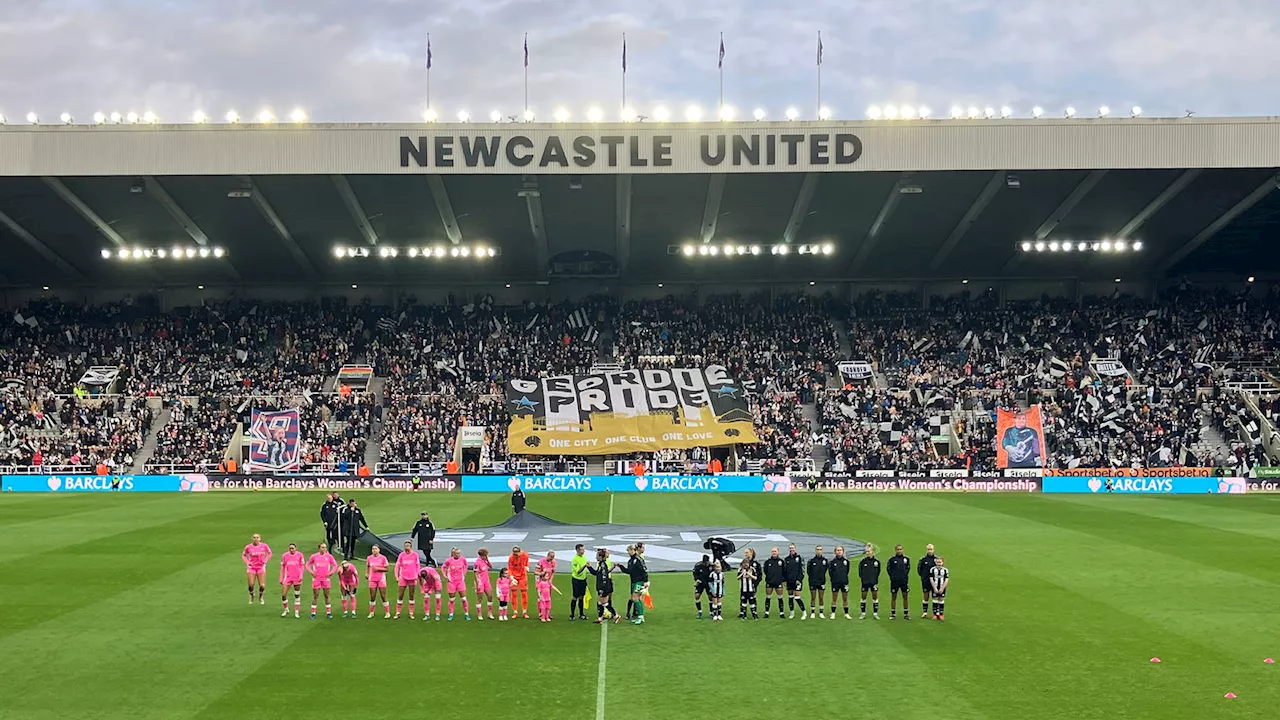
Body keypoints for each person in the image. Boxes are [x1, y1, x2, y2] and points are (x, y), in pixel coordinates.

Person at [586, 548, 620, 624]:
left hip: (603, 587)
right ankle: (600, 618)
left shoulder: (603, 565)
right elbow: (595, 573)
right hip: (600, 586)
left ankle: (616, 615)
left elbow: (605, 577)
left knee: (604, 603)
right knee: (600, 603)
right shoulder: (601, 564)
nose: (596, 557)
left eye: (597, 556)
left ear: (600, 557)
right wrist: (589, 567)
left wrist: (603, 588)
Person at [307, 542, 338, 619]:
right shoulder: (314, 556)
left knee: (327, 595)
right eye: (322, 547)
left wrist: (331, 572)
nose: (324, 549)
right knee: (315, 595)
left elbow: (335, 565)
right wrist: (311, 572)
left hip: (326, 579)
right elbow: (307, 564)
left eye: (325, 547)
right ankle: (313, 613)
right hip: (316, 579)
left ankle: (329, 613)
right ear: (319, 548)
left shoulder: (329, 556)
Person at [241, 533, 272, 606]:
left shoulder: (264, 546)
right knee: (251, 585)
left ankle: (261, 597)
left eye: (257, 537)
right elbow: (243, 555)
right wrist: (247, 562)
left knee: (262, 585)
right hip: (252, 568)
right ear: (252, 538)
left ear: (260, 538)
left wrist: (265, 560)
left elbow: (269, 553)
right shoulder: (248, 547)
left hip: (260, 567)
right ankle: (251, 595)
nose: (256, 539)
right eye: (254, 537)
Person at [441, 548, 471, 621]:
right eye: (457, 553)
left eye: (459, 553)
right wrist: (445, 576)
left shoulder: (463, 559)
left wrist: (464, 573)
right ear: (453, 554)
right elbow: (443, 567)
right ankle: (451, 614)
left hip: (460, 581)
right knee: (452, 599)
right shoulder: (449, 560)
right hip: (452, 582)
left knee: (464, 599)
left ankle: (467, 614)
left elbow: (466, 565)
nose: (458, 555)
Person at [394, 540, 421, 619]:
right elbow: (397, 566)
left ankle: (411, 612)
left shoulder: (415, 555)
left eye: (408, 546)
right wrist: (396, 576)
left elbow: (417, 566)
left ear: (411, 547)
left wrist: (417, 575)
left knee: (411, 595)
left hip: (412, 577)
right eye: (405, 546)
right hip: (403, 577)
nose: (406, 548)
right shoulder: (401, 555)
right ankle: (398, 612)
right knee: (400, 595)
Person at [279, 542, 305, 618]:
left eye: (292, 548)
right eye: (290, 548)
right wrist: (281, 577)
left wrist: (301, 576)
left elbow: (302, 566)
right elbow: (282, 567)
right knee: (283, 594)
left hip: (297, 577)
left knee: (297, 595)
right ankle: (286, 609)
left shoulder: (300, 555)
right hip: (288, 577)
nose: (291, 550)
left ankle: (297, 611)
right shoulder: (285, 555)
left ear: (296, 549)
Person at [886, 544, 912, 620]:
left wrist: (904, 576)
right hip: (894, 581)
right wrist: (892, 577)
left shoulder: (906, 559)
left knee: (905, 597)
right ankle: (893, 614)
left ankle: (906, 614)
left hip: (904, 581)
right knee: (894, 597)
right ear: (895, 550)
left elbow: (908, 568)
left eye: (900, 549)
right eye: (898, 549)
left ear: (903, 550)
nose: (899, 551)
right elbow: (888, 569)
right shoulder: (892, 559)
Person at [364, 544, 391, 618]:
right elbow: (368, 565)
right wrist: (367, 573)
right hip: (372, 579)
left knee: (383, 596)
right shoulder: (369, 558)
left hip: (381, 579)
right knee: (372, 596)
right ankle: (371, 612)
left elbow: (387, 569)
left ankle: (387, 612)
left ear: (379, 550)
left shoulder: (383, 558)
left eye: (375, 549)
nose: (374, 550)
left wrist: (378, 569)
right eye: (373, 549)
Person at [782, 543, 807, 619]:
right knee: (790, 597)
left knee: (797, 597)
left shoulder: (799, 558)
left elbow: (802, 570)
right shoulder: (786, 559)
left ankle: (804, 612)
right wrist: (784, 580)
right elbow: (784, 571)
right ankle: (792, 613)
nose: (791, 549)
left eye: (792, 548)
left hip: (797, 581)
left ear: (795, 549)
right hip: (789, 581)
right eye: (790, 548)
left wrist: (799, 579)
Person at [828, 545, 852, 619]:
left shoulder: (846, 561)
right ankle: (833, 613)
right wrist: (834, 579)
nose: (839, 551)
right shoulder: (832, 562)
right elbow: (830, 572)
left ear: (843, 551)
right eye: (837, 550)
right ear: (835, 552)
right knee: (834, 598)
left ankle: (846, 613)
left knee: (845, 598)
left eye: (840, 550)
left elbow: (847, 571)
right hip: (835, 582)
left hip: (844, 582)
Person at [858, 545, 881, 620]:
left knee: (875, 597)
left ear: (872, 552)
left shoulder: (877, 562)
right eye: (866, 552)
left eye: (869, 551)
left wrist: (874, 579)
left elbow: (878, 572)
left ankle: (875, 613)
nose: (868, 553)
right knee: (863, 597)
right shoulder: (862, 561)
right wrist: (864, 579)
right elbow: (860, 572)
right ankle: (863, 613)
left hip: (873, 582)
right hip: (865, 582)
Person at [806, 545, 829, 620]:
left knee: (821, 597)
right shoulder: (812, 561)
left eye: (820, 549)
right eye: (818, 549)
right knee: (813, 597)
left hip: (821, 581)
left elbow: (826, 570)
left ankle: (821, 612)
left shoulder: (825, 561)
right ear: (815, 551)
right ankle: (812, 612)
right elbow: (808, 571)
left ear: (822, 551)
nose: (819, 551)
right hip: (813, 582)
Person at [737, 548, 761, 620]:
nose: (745, 554)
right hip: (744, 586)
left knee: (752, 599)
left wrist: (755, 583)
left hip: (752, 585)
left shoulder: (755, 564)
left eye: (747, 552)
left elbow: (759, 575)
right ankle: (743, 613)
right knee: (743, 599)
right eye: (745, 553)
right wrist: (742, 574)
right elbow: (738, 576)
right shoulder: (742, 565)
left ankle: (754, 613)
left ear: (751, 553)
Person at [762, 547, 786, 619]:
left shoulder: (781, 561)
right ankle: (766, 613)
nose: (774, 552)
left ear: (778, 552)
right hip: (770, 582)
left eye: (775, 551)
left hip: (778, 582)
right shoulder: (767, 562)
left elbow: (784, 571)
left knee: (780, 598)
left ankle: (781, 613)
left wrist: (782, 580)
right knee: (768, 597)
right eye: (773, 551)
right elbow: (765, 571)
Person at [508, 546, 531, 619]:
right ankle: (515, 611)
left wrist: (527, 567)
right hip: (514, 577)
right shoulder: (511, 557)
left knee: (524, 593)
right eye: (514, 554)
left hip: (523, 576)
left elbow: (526, 564)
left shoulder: (525, 555)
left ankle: (524, 612)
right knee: (514, 594)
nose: (516, 556)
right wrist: (511, 577)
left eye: (517, 554)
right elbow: (510, 568)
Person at [917, 543, 938, 619]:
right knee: (926, 596)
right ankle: (925, 612)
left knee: (934, 596)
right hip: (925, 580)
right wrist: (923, 577)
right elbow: (919, 569)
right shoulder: (923, 559)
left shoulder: (936, 559)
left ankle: (935, 613)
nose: (930, 551)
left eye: (931, 549)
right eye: (928, 549)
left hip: (935, 581)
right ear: (926, 550)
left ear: (933, 550)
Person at [569, 544, 590, 621]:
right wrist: (585, 566)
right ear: (578, 550)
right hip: (576, 580)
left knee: (582, 596)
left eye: (584, 549)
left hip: (583, 580)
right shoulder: (575, 559)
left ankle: (581, 614)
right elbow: (578, 571)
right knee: (575, 596)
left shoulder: (584, 557)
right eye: (582, 550)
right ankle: (572, 614)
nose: (583, 551)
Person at [474, 548, 495, 620]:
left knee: (490, 596)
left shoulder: (485, 561)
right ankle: (479, 614)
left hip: (486, 581)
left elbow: (491, 566)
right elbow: (475, 574)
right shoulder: (477, 562)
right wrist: (477, 583)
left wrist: (487, 560)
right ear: (482, 555)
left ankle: (490, 613)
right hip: (480, 582)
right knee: (480, 598)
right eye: (485, 555)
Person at [692, 554, 712, 620]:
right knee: (697, 596)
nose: (706, 563)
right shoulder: (698, 566)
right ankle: (699, 611)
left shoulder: (711, 566)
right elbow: (695, 573)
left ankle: (711, 612)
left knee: (710, 597)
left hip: (708, 583)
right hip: (700, 583)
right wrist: (696, 580)